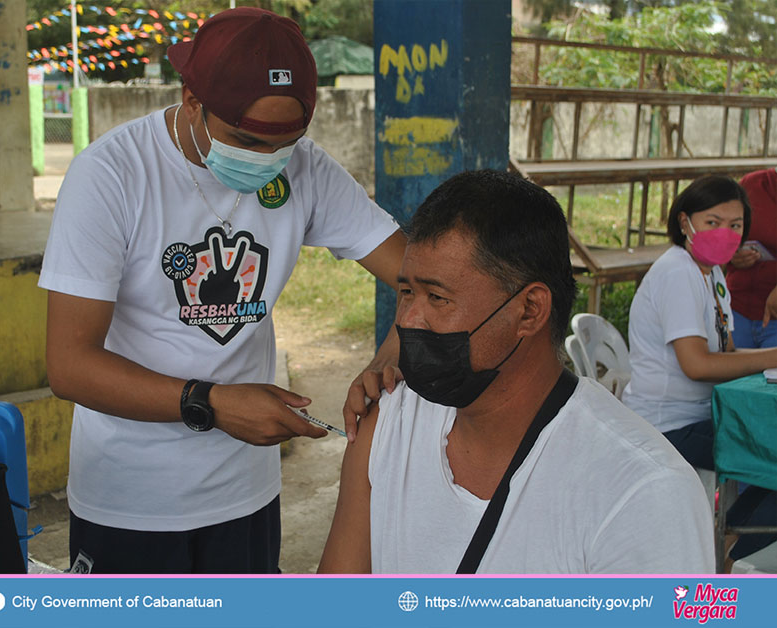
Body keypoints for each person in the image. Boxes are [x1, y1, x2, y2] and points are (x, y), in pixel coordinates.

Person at [38, 7, 405, 574]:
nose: (268, 160)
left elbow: (427, 278)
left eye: (287, 141)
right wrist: (210, 403)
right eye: (245, 139)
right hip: (131, 502)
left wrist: (389, 356)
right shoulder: (112, 175)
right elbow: (70, 365)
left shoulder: (304, 170)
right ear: (191, 100)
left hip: (245, 496)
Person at [318, 170, 713, 574]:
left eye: (437, 297)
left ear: (529, 310)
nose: (410, 320)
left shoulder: (642, 492)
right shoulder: (389, 424)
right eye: (406, 293)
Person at [622, 175, 777, 566]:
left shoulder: (713, 274)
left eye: (736, 225)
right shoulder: (678, 272)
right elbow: (697, 365)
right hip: (666, 425)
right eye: (713, 221)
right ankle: (731, 554)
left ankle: (730, 540)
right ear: (685, 222)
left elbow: (725, 352)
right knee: (769, 453)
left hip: (699, 415)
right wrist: (772, 358)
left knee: (768, 449)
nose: (726, 232)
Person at [727, 168, 777, 349]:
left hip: (774, 321)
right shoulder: (752, 184)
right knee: (728, 374)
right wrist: (731, 255)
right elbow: (723, 230)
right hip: (736, 310)